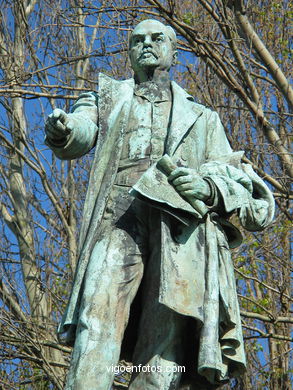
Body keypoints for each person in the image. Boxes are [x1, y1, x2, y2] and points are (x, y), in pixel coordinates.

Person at [45, 19, 274, 390]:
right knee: (97, 314)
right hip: (119, 214)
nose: (146, 45)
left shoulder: (203, 118)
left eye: (156, 39)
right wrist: (65, 128)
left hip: (178, 227)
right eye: (137, 40)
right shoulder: (107, 96)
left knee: (164, 335)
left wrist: (208, 187)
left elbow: (243, 186)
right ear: (129, 53)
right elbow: (82, 128)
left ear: (173, 51)